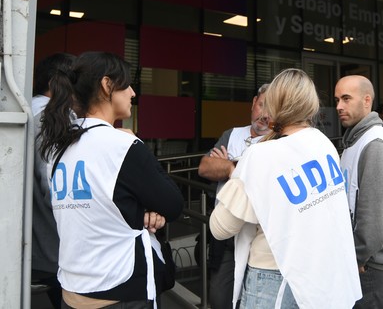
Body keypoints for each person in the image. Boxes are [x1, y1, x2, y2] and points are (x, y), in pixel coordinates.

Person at [39, 51, 184, 308]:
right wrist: (134, 142)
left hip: (72, 290)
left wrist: (142, 212)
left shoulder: (58, 148)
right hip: (121, 290)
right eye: (127, 85)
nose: (132, 93)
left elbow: (102, 206)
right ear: (107, 85)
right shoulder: (121, 145)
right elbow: (173, 204)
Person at [210, 69, 361, 308]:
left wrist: (235, 173)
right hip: (323, 272)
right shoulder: (324, 144)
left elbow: (220, 227)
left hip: (274, 278)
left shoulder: (260, 155)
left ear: (274, 104)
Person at [335, 75, 383, 309]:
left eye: (346, 98)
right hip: (364, 264)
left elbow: (374, 222)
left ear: (367, 100)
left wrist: (356, 257)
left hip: (370, 268)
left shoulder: (374, 144)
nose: (339, 106)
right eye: (337, 100)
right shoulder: (356, 141)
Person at [197, 83, 270, 309]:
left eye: (272, 109)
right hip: (226, 230)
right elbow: (204, 167)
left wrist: (227, 165)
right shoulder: (232, 135)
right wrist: (233, 169)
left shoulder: (276, 141)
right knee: (220, 298)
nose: (265, 115)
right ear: (253, 103)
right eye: (262, 105)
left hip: (258, 234)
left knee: (253, 296)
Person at [32, 53, 76, 309]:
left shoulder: (24, 110)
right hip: (53, 245)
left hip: (32, 241)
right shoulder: (53, 118)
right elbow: (56, 187)